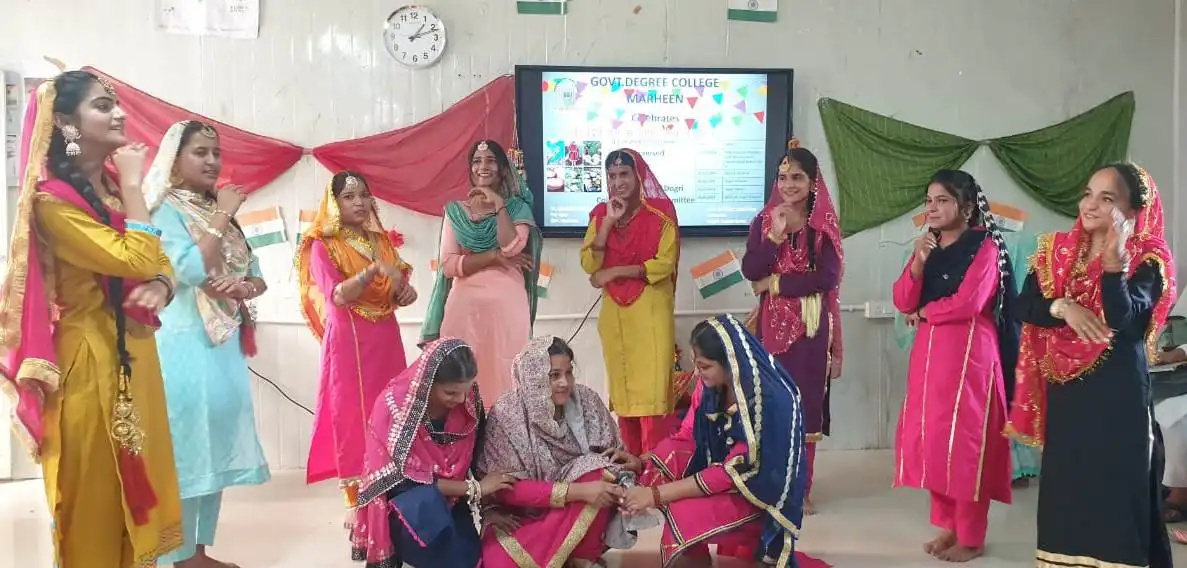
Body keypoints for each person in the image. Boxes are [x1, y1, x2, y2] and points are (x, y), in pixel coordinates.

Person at [0, 71, 182, 567]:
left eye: (117, 103)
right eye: (104, 106)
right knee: (93, 499)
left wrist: (164, 287)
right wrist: (131, 182)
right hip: (89, 363)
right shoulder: (52, 201)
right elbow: (137, 258)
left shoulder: (109, 192)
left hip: (135, 355)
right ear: (65, 123)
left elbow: (159, 265)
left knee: (138, 494)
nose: (119, 113)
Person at [1007, 163, 1176, 568]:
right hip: (1069, 395)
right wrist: (1063, 307)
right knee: (1070, 489)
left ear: (1133, 211)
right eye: (1088, 194)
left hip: (1118, 394)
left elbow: (1123, 319)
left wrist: (1114, 263)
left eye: (1107, 198)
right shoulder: (1057, 251)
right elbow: (1021, 305)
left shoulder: (1148, 258)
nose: (1091, 205)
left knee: (1117, 491)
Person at [145, 120, 271, 567]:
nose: (212, 161)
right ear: (174, 159)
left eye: (215, 152)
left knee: (213, 447)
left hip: (222, 344)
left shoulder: (213, 208)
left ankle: (198, 552)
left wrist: (246, 288)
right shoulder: (163, 210)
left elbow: (255, 274)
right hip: (182, 344)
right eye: (200, 152)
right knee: (183, 451)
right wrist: (223, 212)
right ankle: (172, 556)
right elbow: (192, 271)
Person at [621, 314, 815, 568]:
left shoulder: (765, 403)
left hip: (759, 492)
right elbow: (689, 437)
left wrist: (655, 495)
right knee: (666, 458)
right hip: (727, 475)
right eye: (696, 364)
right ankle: (695, 554)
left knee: (682, 514)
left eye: (704, 366)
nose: (698, 374)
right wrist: (641, 462)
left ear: (731, 362)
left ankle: (760, 549)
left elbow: (731, 473)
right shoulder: (713, 388)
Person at [891, 170, 1015, 562]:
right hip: (929, 355)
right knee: (934, 441)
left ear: (965, 207)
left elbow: (969, 303)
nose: (932, 208)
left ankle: (972, 537)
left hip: (969, 355)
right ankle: (951, 527)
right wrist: (917, 262)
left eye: (942, 200)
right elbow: (901, 299)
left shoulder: (986, 248)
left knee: (966, 447)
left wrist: (926, 310)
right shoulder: (928, 246)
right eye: (928, 201)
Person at [295, 170, 418, 559]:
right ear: (334, 203)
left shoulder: (379, 241)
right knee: (354, 420)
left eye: (364, 195)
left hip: (385, 338)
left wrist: (404, 287)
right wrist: (373, 272)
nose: (359, 204)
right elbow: (336, 298)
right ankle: (359, 517)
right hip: (350, 342)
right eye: (349, 197)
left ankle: (388, 507)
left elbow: (401, 295)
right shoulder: (322, 246)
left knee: (390, 418)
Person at [477, 335, 654, 567]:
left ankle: (583, 559)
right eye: (554, 376)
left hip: (581, 509)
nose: (565, 383)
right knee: (500, 562)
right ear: (533, 378)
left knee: (598, 470)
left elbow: (615, 464)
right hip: (520, 514)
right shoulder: (507, 414)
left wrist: (631, 464)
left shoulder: (586, 401)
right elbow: (506, 490)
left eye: (568, 373)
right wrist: (577, 491)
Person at [742, 139, 843, 515]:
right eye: (783, 177)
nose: (788, 184)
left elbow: (826, 278)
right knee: (772, 405)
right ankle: (774, 483)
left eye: (797, 177)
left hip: (811, 329)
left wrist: (777, 284)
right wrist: (774, 237)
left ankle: (801, 487)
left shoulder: (823, 228)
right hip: (771, 328)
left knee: (805, 407)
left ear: (813, 182)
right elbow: (751, 271)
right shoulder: (765, 222)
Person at [355, 338, 517, 568]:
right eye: (451, 392)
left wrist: (488, 509)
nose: (461, 400)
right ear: (427, 383)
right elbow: (403, 481)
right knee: (441, 550)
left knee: (470, 559)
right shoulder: (395, 406)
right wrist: (476, 489)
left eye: (466, 390)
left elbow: (478, 458)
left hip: (452, 498)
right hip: (408, 504)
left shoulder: (468, 403)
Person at [421, 139, 541, 406]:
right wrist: (493, 256)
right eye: (477, 161)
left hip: (506, 308)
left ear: (502, 169)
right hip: (465, 309)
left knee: (505, 375)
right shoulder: (456, 211)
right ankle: (464, 443)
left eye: (490, 161)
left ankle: (504, 440)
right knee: (461, 373)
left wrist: (499, 204)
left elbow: (511, 247)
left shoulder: (517, 208)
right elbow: (450, 265)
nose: (483, 167)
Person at [580, 148, 680, 456]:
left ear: (639, 176)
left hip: (650, 311)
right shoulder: (601, 214)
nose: (618, 182)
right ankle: (633, 464)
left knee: (652, 395)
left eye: (624, 174)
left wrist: (615, 271)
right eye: (612, 176)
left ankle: (656, 469)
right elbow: (588, 264)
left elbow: (664, 264)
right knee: (624, 393)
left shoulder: (660, 214)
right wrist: (609, 223)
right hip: (616, 317)